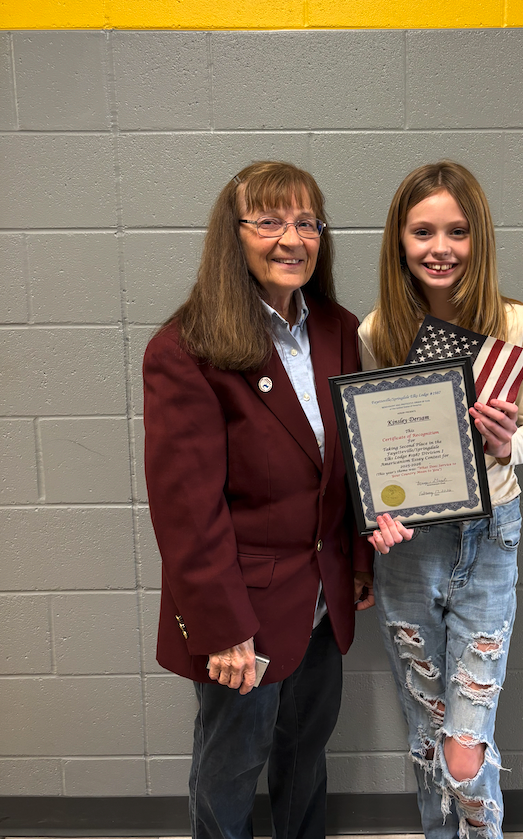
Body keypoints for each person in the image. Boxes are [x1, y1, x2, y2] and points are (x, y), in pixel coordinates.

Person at [143, 161, 373, 839]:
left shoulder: (337, 329)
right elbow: (187, 512)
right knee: (229, 775)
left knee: (306, 762)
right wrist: (222, 627)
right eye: (268, 220)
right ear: (232, 235)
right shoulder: (186, 349)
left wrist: (359, 560)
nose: (291, 237)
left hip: (322, 598)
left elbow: (353, 466)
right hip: (242, 614)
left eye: (306, 221)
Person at [358, 161, 523, 839]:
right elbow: (370, 452)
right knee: (426, 730)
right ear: (399, 240)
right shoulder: (376, 331)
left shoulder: (513, 323)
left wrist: (507, 444)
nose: (439, 246)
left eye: (456, 230)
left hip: (488, 538)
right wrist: (374, 516)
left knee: (463, 742)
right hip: (411, 550)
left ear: (478, 239)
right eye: (422, 230)